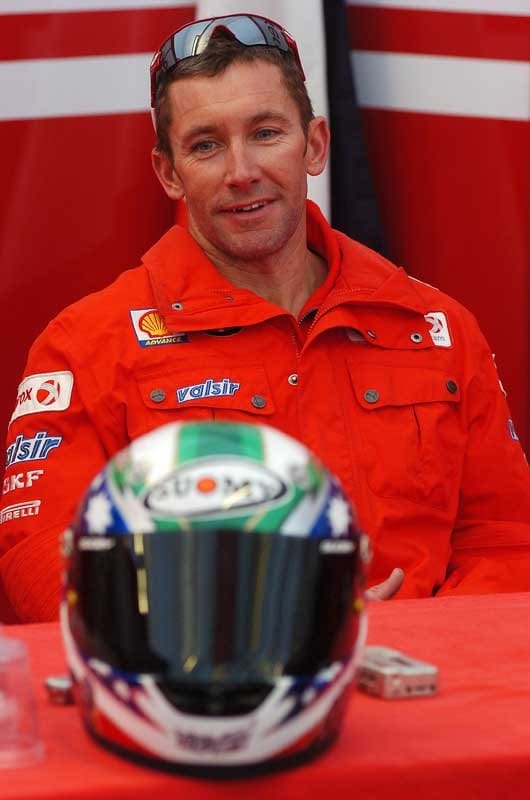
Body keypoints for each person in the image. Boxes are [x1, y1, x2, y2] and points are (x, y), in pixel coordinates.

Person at [1, 14, 529, 623]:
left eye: (266, 132)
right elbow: (42, 558)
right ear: (169, 173)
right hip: (203, 677)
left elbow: (506, 539)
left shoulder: (439, 327)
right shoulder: (85, 344)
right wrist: (250, 635)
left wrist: (416, 637)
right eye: (206, 145)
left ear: (315, 145)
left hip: (429, 673)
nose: (241, 171)